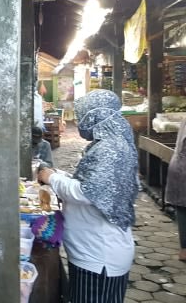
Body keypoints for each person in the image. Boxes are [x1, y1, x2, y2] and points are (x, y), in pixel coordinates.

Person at [38, 89, 138, 303]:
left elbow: (87, 192)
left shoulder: (111, 149)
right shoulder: (110, 143)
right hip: (93, 251)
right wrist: (60, 174)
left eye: (82, 115)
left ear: (94, 116)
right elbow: (91, 183)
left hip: (99, 257)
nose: (81, 122)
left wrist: (52, 178)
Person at [166, 120, 186, 261]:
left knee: (183, 209)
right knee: (183, 209)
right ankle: (184, 250)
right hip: (183, 168)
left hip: (180, 166)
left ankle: (184, 249)